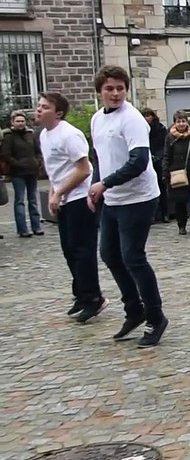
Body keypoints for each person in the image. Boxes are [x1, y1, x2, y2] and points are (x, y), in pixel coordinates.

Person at [88, 66, 169, 346]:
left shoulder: (132, 119)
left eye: (120, 88)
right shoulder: (98, 119)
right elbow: (100, 157)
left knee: (133, 256)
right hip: (112, 197)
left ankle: (156, 317)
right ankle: (134, 310)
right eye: (110, 88)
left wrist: (105, 183)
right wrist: (96, 185)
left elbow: (138, 162)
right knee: (109, 253)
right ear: (100, 90)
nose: (115, 93)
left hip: (139, 197)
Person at [36, 92, 105, 322]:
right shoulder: (45, 136)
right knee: (69, 249)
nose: (39, 110)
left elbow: (84, 169)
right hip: (63, 198)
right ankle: (82, 294)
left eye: (45, 107)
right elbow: (55, 170)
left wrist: (60, 192)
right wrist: (53, 194)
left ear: (58, 113)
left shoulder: (69, 135)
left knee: (82, 250)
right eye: (39, 106)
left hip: (79, 198)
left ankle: (94, 298)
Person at [163, 111, 190, 236]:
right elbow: (167, 155)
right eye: (178, 121)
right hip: (176, 172)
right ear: (175, 123)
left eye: (183, 121)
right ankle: (181, 225)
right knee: (179, 201)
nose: (181, 124)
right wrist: (165, 171)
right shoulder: (170, 137)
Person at [0, 109, 42, 237]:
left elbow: (37, 150)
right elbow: (5, 154)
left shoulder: (30, 134)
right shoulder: (9, 136)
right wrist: (17, 164)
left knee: (33, 199)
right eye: (18, 121)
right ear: (12, 122)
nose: (20, 123)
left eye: (22, 121)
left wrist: (38, 162)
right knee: (19, 200)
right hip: (17, 172)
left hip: (32, 171)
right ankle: (22, 229)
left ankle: (36, 227)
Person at [141, 108, 169, 224]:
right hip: (147, 163)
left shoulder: (160, 129)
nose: (148, 118)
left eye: (149, 115)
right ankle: (153, 215)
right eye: (145, 116)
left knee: (162, 188)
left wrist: (158, 156)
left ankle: (165, 214)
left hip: (159, 162)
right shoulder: (140, 130)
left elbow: (164, 145)